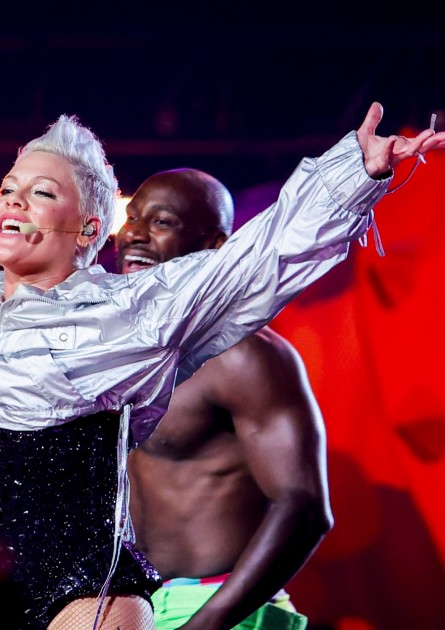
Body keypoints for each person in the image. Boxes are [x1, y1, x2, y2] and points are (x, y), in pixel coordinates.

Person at [0, 76, 445, 629]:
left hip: (92, 600)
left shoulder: (128, 317)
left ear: (86, 229)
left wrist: (351, 173)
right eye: (7, 188)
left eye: (41, 193)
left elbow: (252, 265)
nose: (12, 202)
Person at [118, 169, 326, 630]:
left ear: (214, 245)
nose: (134, 233)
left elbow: (304, 505)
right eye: (132, 217)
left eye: (162, 221)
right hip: (142, 607)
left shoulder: (245, 355)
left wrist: (207, 624)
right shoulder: (115, 352)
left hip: (223, 610)